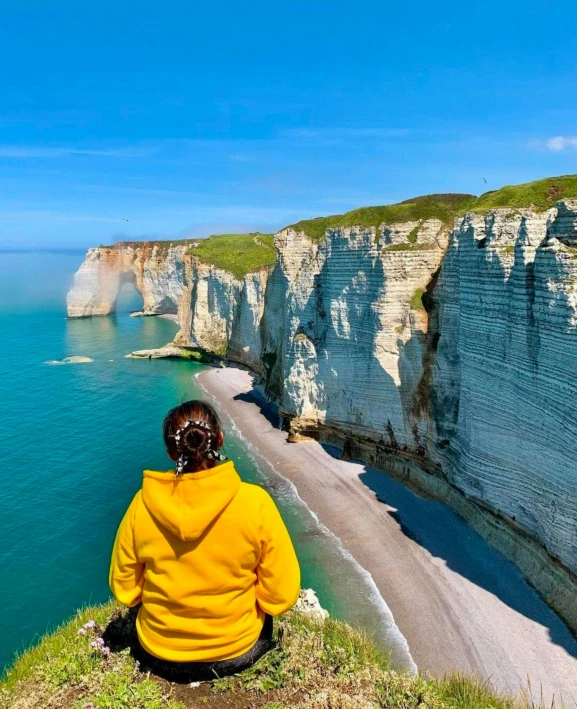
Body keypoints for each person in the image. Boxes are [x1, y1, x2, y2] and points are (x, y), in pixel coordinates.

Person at [109, 400, 300, 683]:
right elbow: (280, 596)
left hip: (159, 651)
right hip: (237, 649)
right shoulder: (255, 503)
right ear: (219, 439)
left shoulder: (142, 505)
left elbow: (124, 589)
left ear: (172, 451)